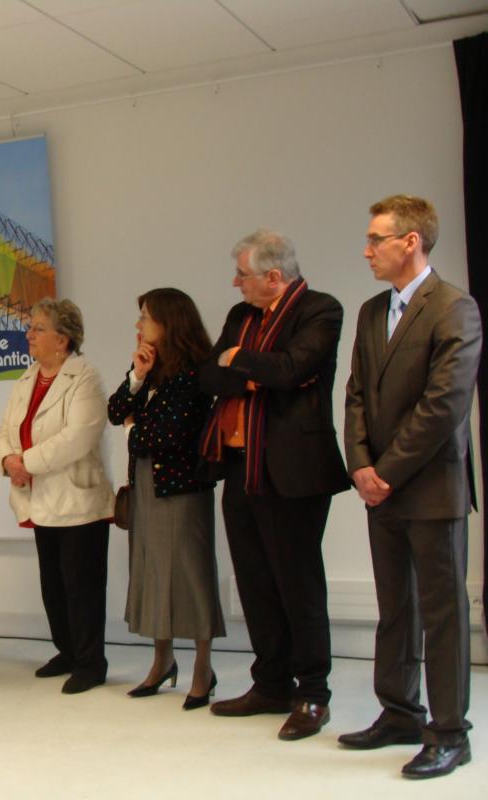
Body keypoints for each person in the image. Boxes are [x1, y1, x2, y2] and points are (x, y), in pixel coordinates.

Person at [341, 195, 481, 779]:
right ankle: (399, 712)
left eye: (376, 238)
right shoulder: (373, 311)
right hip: (382, 491)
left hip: (429, 490)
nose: (366, 249)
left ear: (411, 242)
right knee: (395, 607)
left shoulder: (454, 308)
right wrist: (359, 465)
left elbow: (443, 405)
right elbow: (354, 395)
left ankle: (449, 732)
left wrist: (386, 471)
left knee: (442, 612)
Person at [199, 230, 348, 739]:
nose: (234, 282)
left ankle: (312, 694)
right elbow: (207, 377)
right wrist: (251, 370)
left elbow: (290, 370)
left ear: (273, 277)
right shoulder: (242, 317)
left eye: (242, 274)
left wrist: (238, 363)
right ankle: (270, 683)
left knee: (297, 583)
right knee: (255, 580)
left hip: (294, 468)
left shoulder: (321, 311)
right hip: (241, 465)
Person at [107, 288, 224, 709]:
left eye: (145, 317)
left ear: (168, 321)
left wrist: (134, 432)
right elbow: (117, 410)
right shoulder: (151, 368)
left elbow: (169, 434)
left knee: (190, 577)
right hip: (146, 484)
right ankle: (162, 661)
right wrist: (136, 377)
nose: (138, 325)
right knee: (153, 572)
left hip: (181, 489)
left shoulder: (194, 372)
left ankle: (203, 669)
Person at [0, 298, 114, 694]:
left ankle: (90, 662)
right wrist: (7, 459)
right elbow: (3, 432)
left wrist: (24, 461)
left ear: (63, 340)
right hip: (38, 498)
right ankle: (67, 651)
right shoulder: (27, 378)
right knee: (54, 585)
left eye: (38, 328)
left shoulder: (85, 377)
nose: (29, 334)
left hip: (77, 501)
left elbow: (78, 438)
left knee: (82, 587)